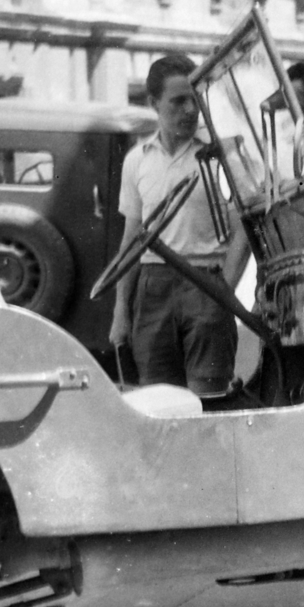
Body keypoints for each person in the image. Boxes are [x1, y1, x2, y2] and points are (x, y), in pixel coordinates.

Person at [109, 54, 250, 397]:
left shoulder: (220, 155)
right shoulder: (137, 160)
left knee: (208, 400)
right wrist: (120, 311)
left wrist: (223, 295)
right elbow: (131, 239)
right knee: (158, 401)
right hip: (152, 287)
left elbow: (243, 230)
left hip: (207, 281)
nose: (190, 110)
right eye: (178, 101)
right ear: (154, 103)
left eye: (195, 99)